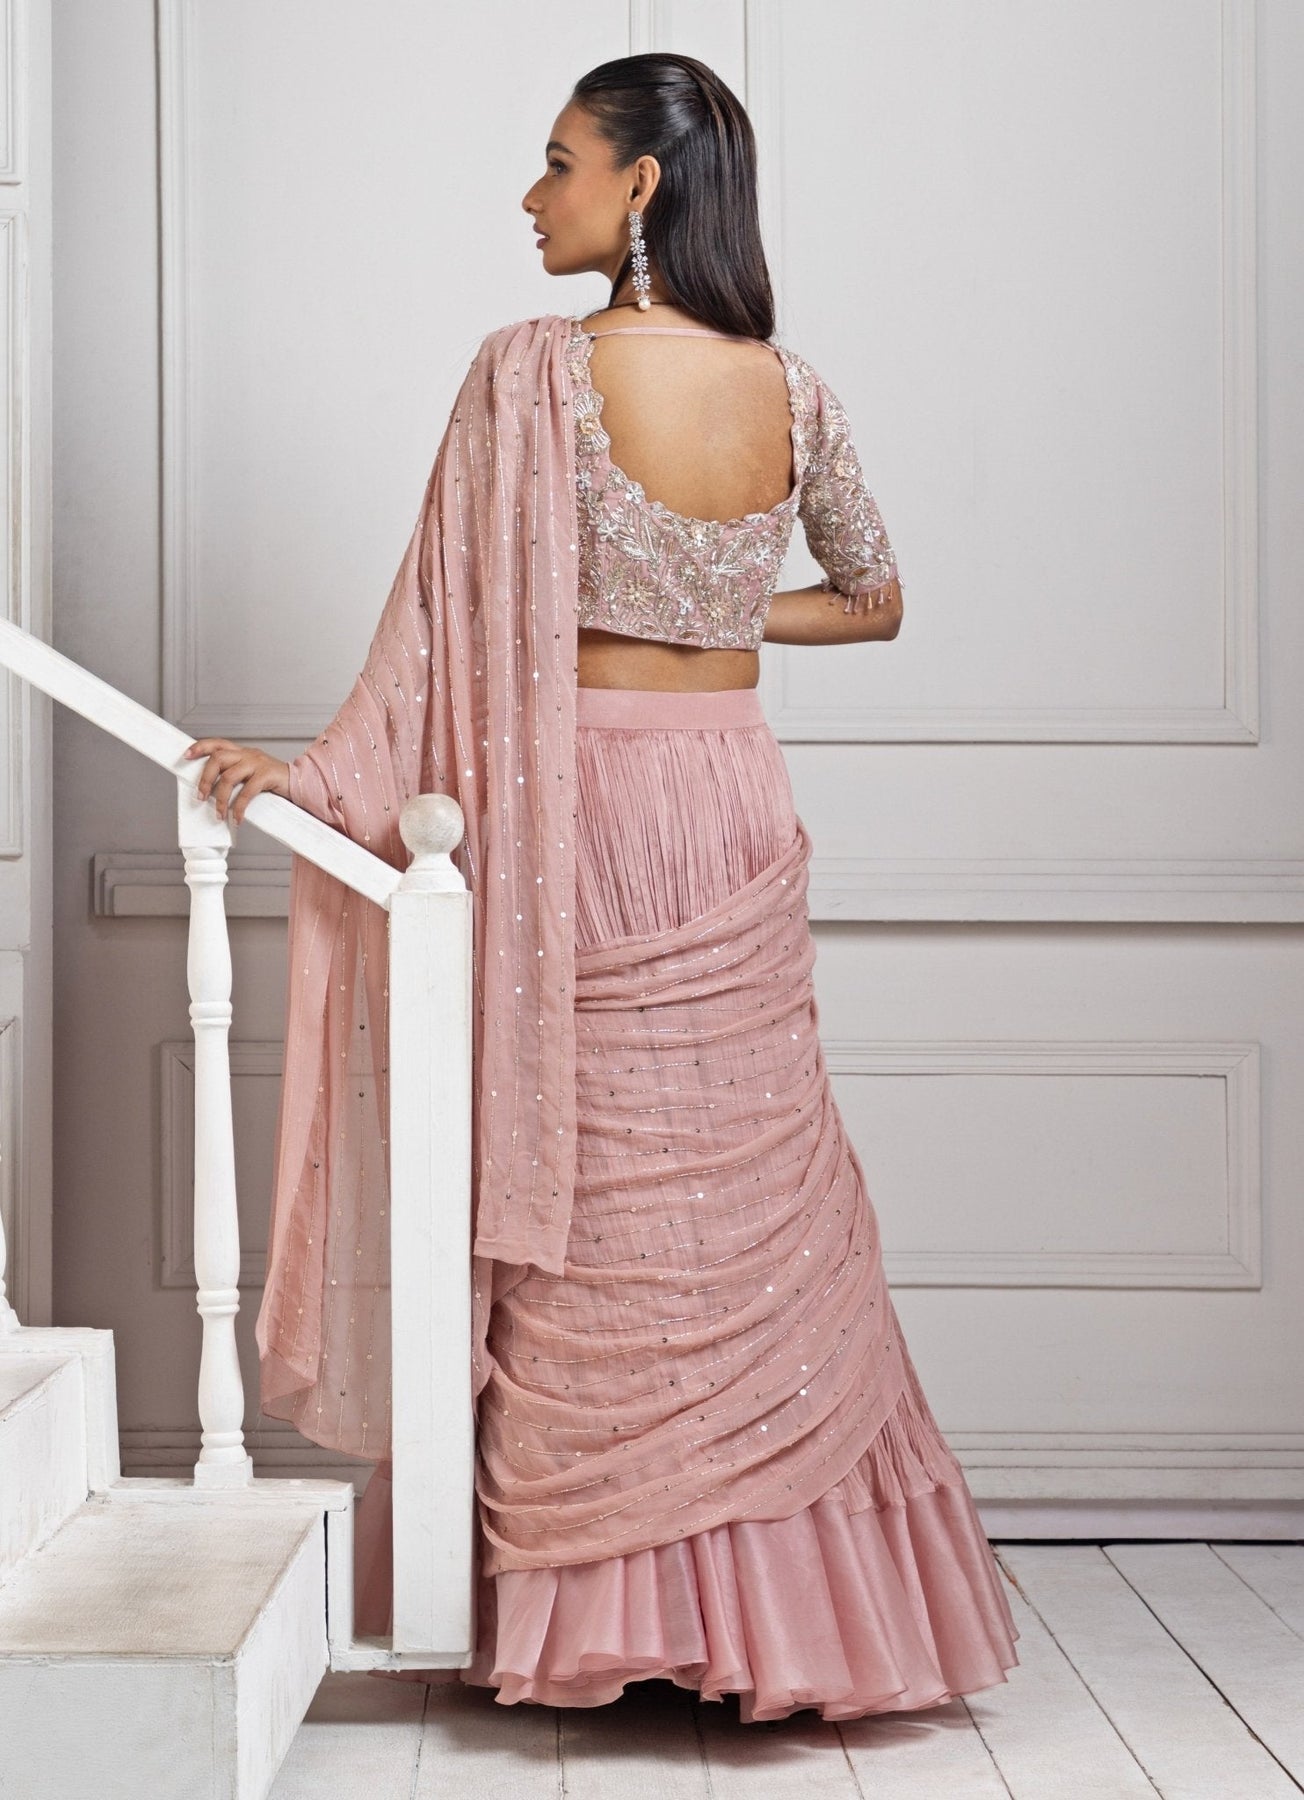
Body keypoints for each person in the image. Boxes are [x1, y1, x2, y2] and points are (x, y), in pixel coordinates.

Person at [183, 52, 1018, 1723]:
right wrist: (715, 614)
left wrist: (328, 776)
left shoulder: (530, 375)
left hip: (588, 809)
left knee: (590, 1199)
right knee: (730, 1196)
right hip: (732, 797)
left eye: (558, 162)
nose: (530, 194)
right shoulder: (793, 391)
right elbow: (875, 597)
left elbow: (433, 627)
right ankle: (783, 1621)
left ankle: (606, 1609)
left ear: (641, 184)